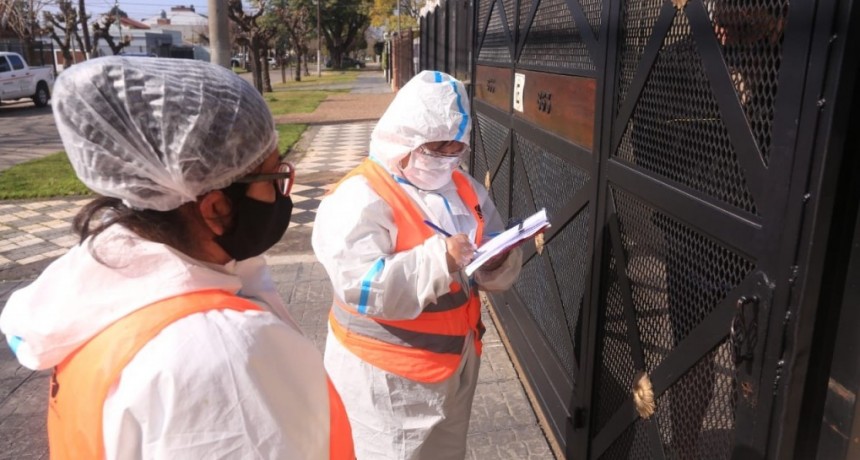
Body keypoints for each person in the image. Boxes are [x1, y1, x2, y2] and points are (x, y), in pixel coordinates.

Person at [0, 57, 353, 459]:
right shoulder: (225, 355)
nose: (282, 193)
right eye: (276, 177)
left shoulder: (97, 297)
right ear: (216, 208)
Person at [312, 70, 523, 459]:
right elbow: (361, 286)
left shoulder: (464, 188)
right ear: (404, 139)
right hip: (385, 379)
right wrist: (439, 259)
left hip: (456, 366)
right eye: (436, 148)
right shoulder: (359, 196)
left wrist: (498, 260)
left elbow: (488, 244)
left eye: (455, 148)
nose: (447, 159)